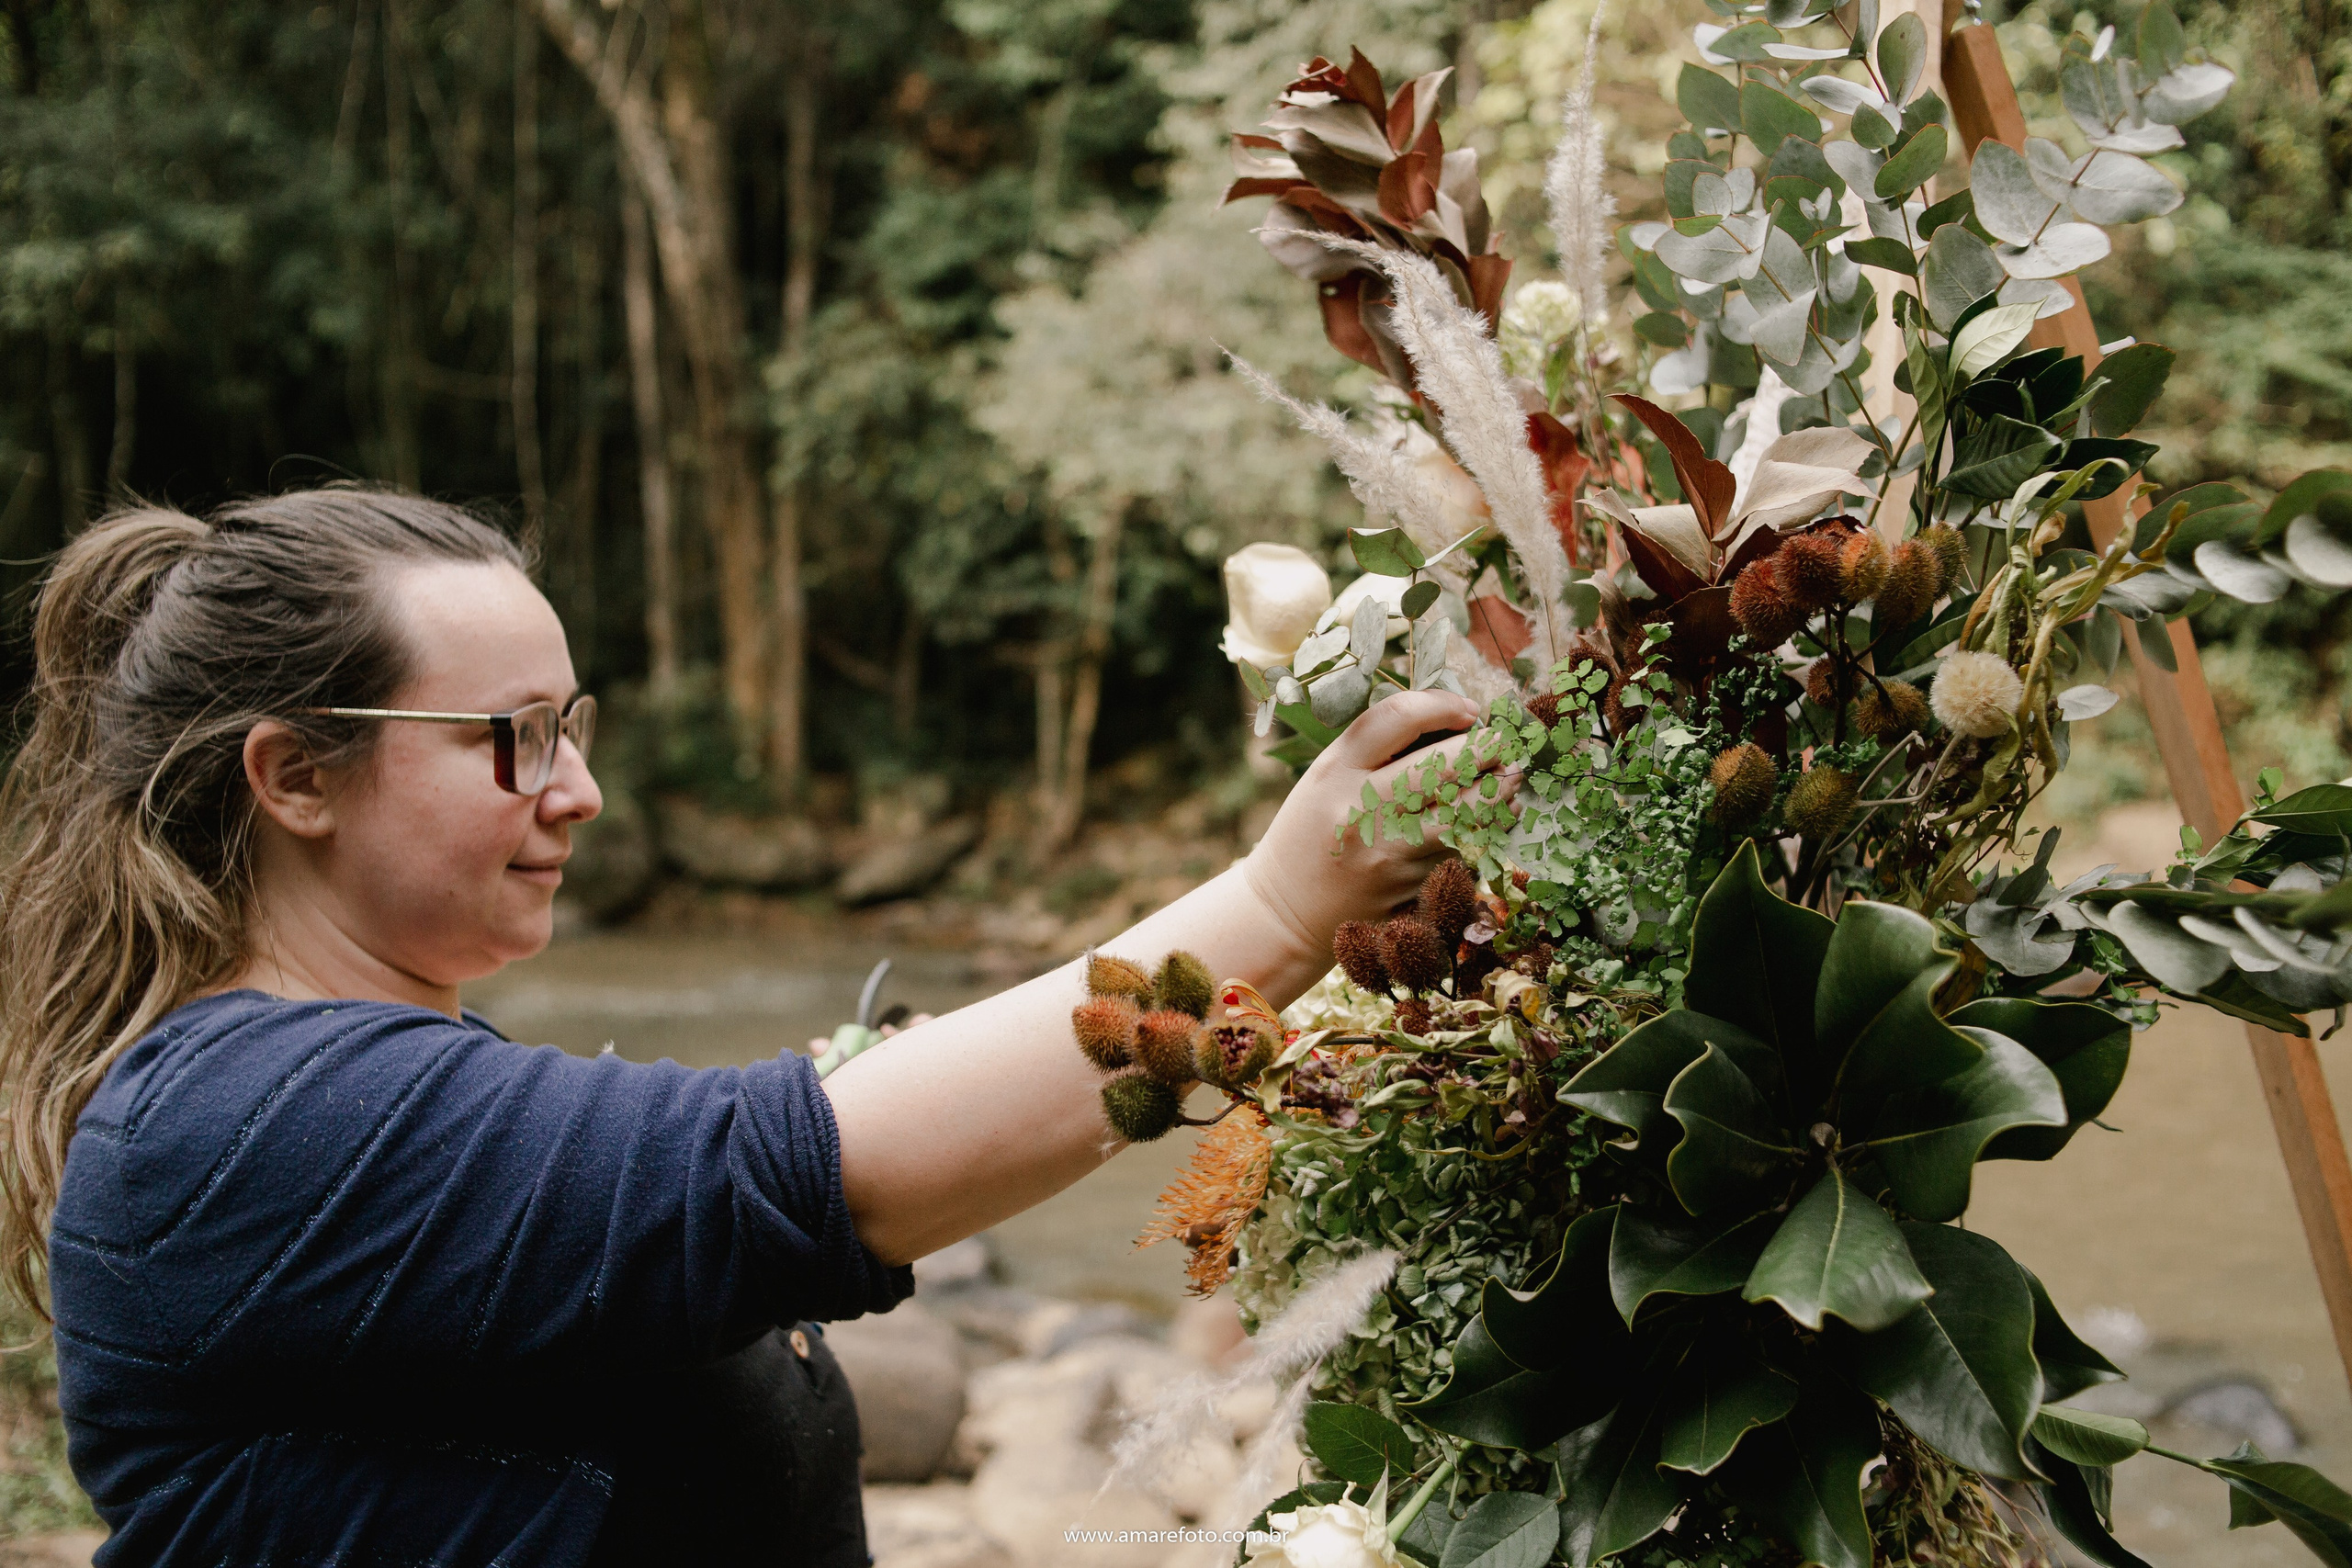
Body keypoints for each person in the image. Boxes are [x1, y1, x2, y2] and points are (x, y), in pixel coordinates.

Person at [0, 488, 1484, 1566]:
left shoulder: (352, 1092)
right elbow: (805, 1171)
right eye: (513, 738)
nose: (579, 792)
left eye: (573, 724)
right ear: (294, 779)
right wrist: (1283, 902)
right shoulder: (255, 1117)